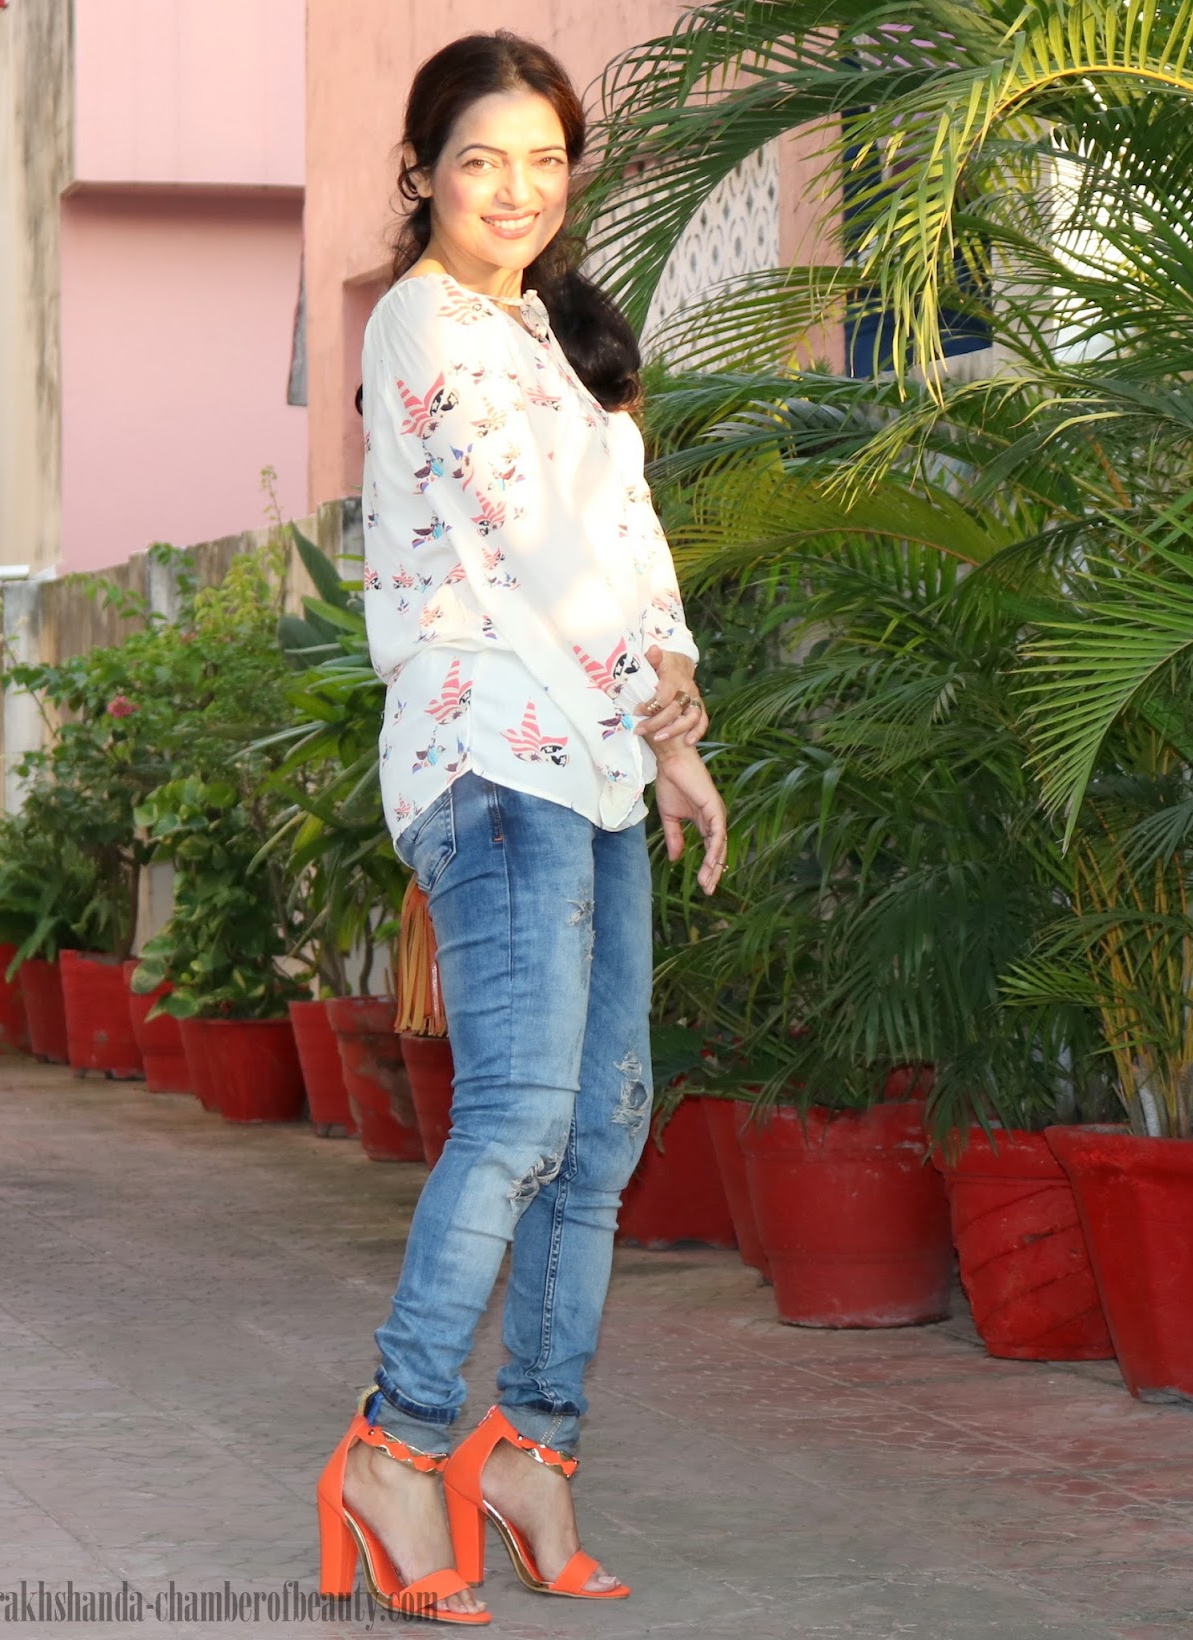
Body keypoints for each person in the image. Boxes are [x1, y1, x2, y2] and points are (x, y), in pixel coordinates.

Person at [315, 31, 727, 1626]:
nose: (514, 190)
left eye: (544, 161)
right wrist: (649, 699)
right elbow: (534, 550)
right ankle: (398, 1446)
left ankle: (531, 1449)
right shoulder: (423, 324)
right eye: (480, 160)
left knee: (602, 1125)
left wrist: (673, 723)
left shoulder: (549, 335)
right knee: (516, 1118)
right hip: (493, 755)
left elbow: (626, 538)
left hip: (598, 764)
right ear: (420, 171)